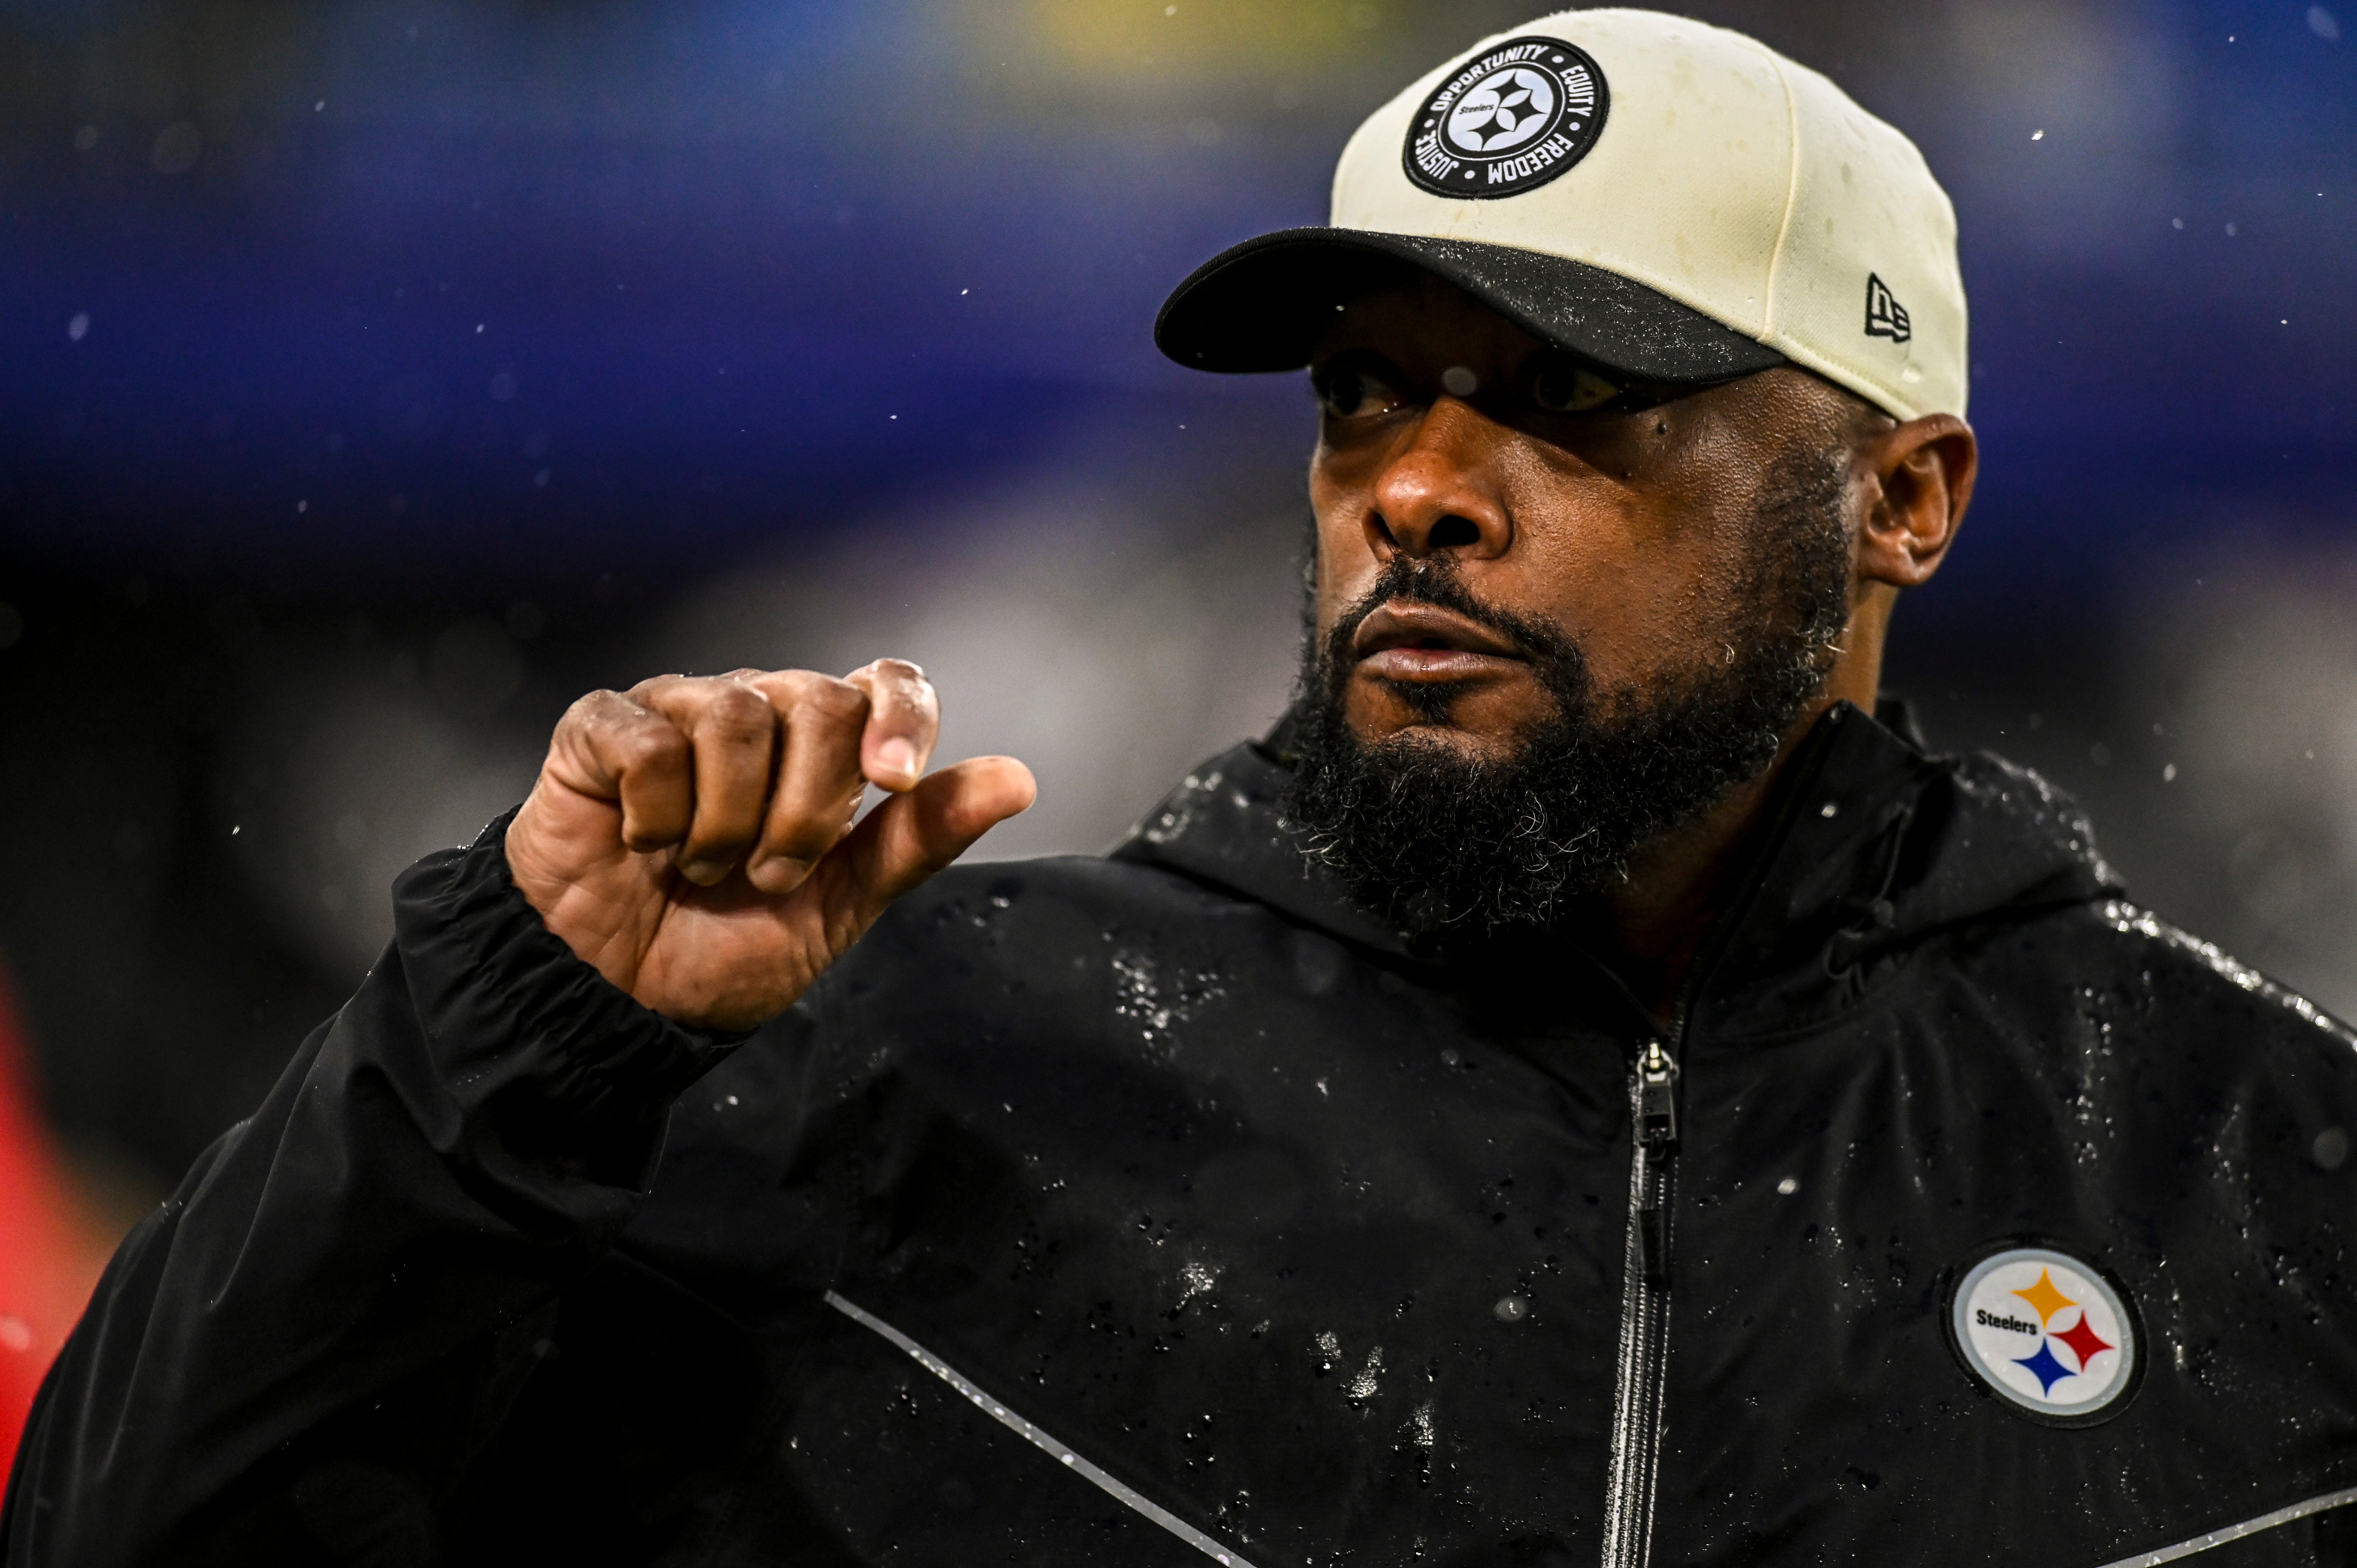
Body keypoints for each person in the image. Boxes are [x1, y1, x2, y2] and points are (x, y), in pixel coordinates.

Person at [10, 9, 2357, 1565]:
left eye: (1568, 395)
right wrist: (503, 1045)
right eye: (1365, 392)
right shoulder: (933, 1060)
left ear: (1905, 498)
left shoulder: (2256, 1176)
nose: (1417, 488)